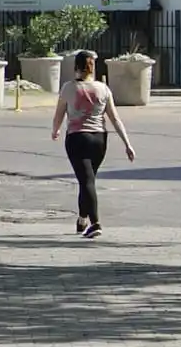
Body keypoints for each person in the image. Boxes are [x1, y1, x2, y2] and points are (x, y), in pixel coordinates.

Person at [51, 50, 136, 238]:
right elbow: (115, 119)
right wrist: (127, 143)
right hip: (99, 139)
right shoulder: (103, 89)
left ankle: (95, 223)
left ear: (75, 67)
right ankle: (82, 219)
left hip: (77, 138)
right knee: (87, 180)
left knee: (86, 180)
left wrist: (55, 130)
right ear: (93, 67)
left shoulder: (68, 88)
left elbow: (59, 114)